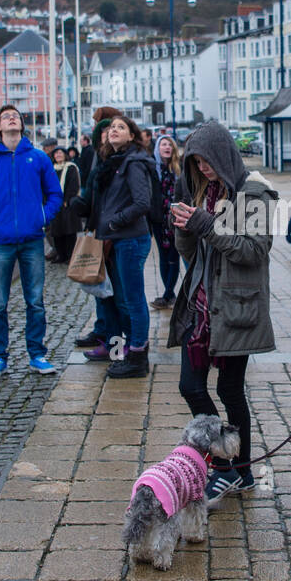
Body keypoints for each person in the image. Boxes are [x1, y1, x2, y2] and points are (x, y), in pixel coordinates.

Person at [168, 121, 277, 500]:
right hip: (199, 306)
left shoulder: (255, 193)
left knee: (230, 390)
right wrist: (184, 228)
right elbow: (192, 255)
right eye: (196, 162)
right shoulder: (203, 191)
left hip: (236, 309)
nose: (202, 168)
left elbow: (254, 250)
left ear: (224, 154)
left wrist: (205, 225)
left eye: (207, 160)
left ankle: (239, 472)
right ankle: (227, 466)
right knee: (190, 386)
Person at [0, 106, 63, 377]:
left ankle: (37, 354)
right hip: (0, 241)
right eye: (5, 117)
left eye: (15, 116)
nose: (11, 119)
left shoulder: (38, 158)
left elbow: (54, 194)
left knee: (35, 301)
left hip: (32, 239)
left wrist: (42, 217)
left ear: (21, 124)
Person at [95, 115, 154, 378]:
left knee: (133, 300)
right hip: (119, 239)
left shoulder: (134, 162)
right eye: (111, 128)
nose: (114, 130)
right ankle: (130, 352)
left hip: (131, 239)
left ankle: (138, 357)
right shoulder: (116, 161)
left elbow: (143, 202)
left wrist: (115, 222)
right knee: (124, 299)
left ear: (132, 136)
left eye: (121, 127)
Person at [69, 107, 127, 361]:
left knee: (120, 299)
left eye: (111, 129)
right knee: (105, 295)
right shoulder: (99, 165)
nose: (107, 134)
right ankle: (112, 346)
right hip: (99, 235)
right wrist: (79, 204)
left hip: (116, 238)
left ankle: (130, 349)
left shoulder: (121, 162)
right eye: (102, 130)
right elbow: (93, 200)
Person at [151, 134, 183, 309]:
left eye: (169, 145)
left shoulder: (178, 169)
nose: (167, 147)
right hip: (158, 218)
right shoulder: (152, 168)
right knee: (163, 256)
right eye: (163, 144)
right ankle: (169, 294)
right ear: (158, 148)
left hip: (175, 218)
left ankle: (167, 294)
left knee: (173, 255)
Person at [45, 145, 82, 263]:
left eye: (60, 153)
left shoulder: (71, 168)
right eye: (56, 154)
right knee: (56, 232)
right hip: (54, 205)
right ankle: (61, 255)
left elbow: (74, 185)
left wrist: (67, 200)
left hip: (67, 205)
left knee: (69, 231)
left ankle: (71, 255)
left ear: (65, 155)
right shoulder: (51, 169)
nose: (58, 155)